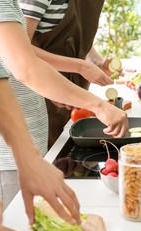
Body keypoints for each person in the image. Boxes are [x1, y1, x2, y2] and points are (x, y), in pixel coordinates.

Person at [0, 0, 128, 210]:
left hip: (23, 149)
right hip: (5, 156)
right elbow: (24, 67)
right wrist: (98, 106)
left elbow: (0, 68)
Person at [19, 0, 120, 149]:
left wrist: (97, 61)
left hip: (72, 102)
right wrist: (80, 66)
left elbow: (75, 32)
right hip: (41, 103)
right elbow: (19, 49)